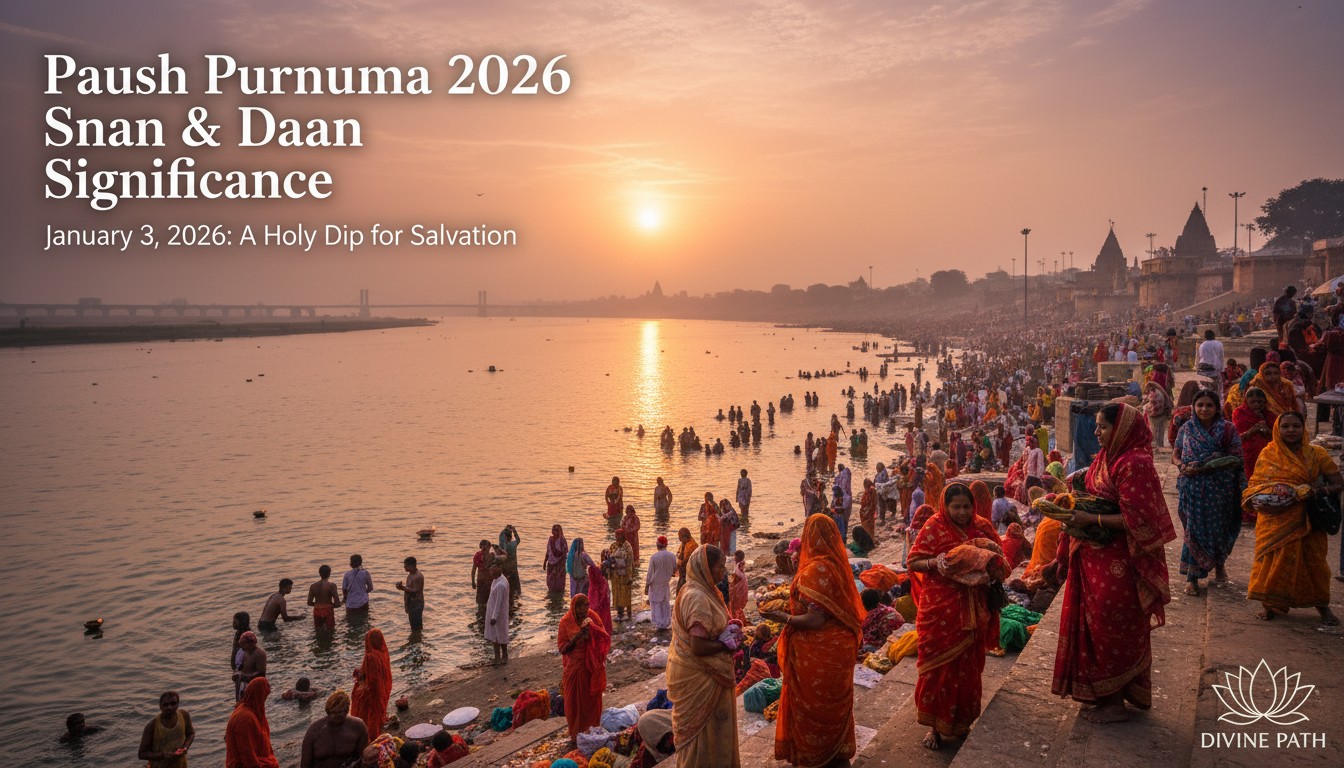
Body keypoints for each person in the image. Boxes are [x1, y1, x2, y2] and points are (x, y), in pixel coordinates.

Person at [1047, 402, 1176, 724]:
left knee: (1112, 625)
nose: (1096, 432)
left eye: (1102, 427)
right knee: (1094, 626)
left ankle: (1116, 702)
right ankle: (1104, 695)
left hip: (1121, 561)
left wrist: (1092, 517)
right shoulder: (1108, 456)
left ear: (1121, 430)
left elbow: (1140, 519)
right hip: (1093, 557)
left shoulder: (1136, 464)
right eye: (1096, 426)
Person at [908, 483, 1007, 749]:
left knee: (969, 668)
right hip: (940, 609)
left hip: (974, 608)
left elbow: (1001, 560)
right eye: (956, 507)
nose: (962, 512)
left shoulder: (983, 528)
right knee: (936, 669)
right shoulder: (933, 526)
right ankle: (934, 728)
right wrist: (935, 562)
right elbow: (913, 561)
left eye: (967, 506)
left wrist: (989, 568)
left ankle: (962, 722)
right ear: (945, 506)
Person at [761, 514, 865, 767]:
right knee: (834, 705)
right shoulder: (837, 565)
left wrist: (784, 617)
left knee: (813, 707)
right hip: (839, 647)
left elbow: (815, 619)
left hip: (818, 650)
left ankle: (816, 755)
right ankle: (836, 752)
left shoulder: (815, 569)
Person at [1242, 411, 1343, 625]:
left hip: (1308, 520)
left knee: (1314, 563)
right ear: (1278, 429)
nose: (1291, 431)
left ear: (1303, 428)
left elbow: (1338, 483)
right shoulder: (1268, 454)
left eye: (1295, 426)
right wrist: (1279, 491)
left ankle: (1322, 607)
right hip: (1275, 521)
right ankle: (1269, 606)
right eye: (1286, 426)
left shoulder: (1317, 454)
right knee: (1271, 562)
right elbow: (1256, 485)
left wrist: (1316, 492)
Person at [666, 545, 741, 767]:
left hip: (706, 675)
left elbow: (711, 628)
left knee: (713, 734)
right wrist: (725, 644)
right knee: (702, 737)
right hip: (699, 677)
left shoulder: (703, 591)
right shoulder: (696, 597)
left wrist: (730, 630)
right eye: (719, 567)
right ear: (706, 569)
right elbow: (698, 646)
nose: (723, 572)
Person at [1173, 389, 1246, 595]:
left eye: (1209, 405)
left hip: (1220, 489)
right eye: (1200, 405)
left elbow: (1236, 458)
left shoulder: (1228, 429)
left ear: (1216, 408)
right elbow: (1176, 453)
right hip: (1192, 489)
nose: (1204, 409)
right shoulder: (1186, 428)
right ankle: (1192, 578)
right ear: (1194, 407)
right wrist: (1181, 465)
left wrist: (1207, 466)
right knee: (1193, 531)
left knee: (1219, 529)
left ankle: (1219, 565)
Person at [557, 593, 611, 740]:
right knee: (573, 703)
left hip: (590, 668)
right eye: (582, 606)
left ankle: (592, 731)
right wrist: (577, 637)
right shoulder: (565, 622)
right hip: (574, 668)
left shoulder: (592, 617)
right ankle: (576, 733)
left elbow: (604, 637)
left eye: (587, 605)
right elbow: (562, 648)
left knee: (591, 702)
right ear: (575, 607)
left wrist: (592, 633)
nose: (586, 609)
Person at [1231, 387, 1273, 524]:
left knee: (1264, 484)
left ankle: (1261, 513)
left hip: (1266, 457)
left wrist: (1268, 431)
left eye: (1259, 402)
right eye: (1253, 401)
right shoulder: (1239, 413)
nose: (1256, 405)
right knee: (1247, 484)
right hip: (1247, 456)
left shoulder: (1270, 415)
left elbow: (1278, 436)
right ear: (1246, 401)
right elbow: (1237, 438)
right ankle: (1247, 514)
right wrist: (1254, 429)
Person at [301, 690, 369, 768]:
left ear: (347, 710)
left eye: (338, 713)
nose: (333, 717)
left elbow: (362, 757)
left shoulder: (358, 727)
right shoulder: (314, 731)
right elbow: (305, 764)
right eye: (331, 713)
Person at [225, 677, 279, 768]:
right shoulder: (246, 719)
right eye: (264, 696)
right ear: (258, 695)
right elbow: (246, 754)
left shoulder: (248, 709)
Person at [351, 628, 393, 737]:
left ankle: (367, 733)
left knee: (356, 694)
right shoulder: (384, 651)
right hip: (384, 686)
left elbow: (372, 680)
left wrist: (359, 678)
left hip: (374, 690)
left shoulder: (371, 656)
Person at [138, 691, 194, 768]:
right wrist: (163, 755)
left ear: (178, 705)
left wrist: (184, 748)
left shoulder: (184, 716)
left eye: (173, 703)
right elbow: (141, 754)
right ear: (160, 707)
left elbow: (191, 734)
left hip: (181, 764)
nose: (169, 707)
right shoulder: (152, 726)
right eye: (165, 705)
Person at [646, 535, 677, 631]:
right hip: (665, 583)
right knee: (664, 603)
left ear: (658, 545)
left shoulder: (654, 557)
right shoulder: (672, 556)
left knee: (656, 604)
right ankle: (665, 623)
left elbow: (650, 573)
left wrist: (646, 586)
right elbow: (675, 571)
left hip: (655, 584)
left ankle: (659, 624)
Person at [485, 563, 511, 663]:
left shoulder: (501, 585)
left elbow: (499, 602)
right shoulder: (497, 580)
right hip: (494, 612)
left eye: (492, 570)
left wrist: (494, 617)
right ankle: (502, 656)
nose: (490, 572)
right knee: (498, 635)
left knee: (497, 636)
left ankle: (499, 657)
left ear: (498, 569)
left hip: (498, 614)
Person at [233, 632, 267, 702]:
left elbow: (261, 673)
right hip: (243, 684)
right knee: (241, 704)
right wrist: (236, 674)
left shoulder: (259, 654)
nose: (242, 647)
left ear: (251, 644)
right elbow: (240, 666)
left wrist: (246, 676)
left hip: (254, 686)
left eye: (243, 644)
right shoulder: (244, 652)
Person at [610, 529, 635, 621]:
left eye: (619, 536)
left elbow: (629, 562)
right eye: (616, 536)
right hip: (616, 576)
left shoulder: (627, 547)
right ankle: (619, 614)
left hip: (625, 575)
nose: (617, 538)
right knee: (617, 595)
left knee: (626, 595)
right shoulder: (613, 545)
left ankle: (628, 614)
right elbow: (610, 556)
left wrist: (630, 576)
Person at [395, 557, 425, 632]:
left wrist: (403, 587)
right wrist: (400, 587)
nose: (404, 567)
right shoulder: (410, 575)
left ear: (411, 566)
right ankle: (416, 640)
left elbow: (414, 591)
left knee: (417, 626)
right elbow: (409, 589)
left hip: (416, 604)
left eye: (405, 566)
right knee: (413, 625)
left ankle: (417, 640)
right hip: (411, 603)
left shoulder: (418, 576)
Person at [307, 565, 340, 631]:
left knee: (318, 631)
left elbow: (309, 603)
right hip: (328, 610)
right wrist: (343, 601)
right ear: (329, 573)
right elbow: (337, 604)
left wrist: (319, 604)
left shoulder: (313, 586)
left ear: (319, 573)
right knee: (330, 630)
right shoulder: (332, 585)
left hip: (317, 610)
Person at [1144, 382, 1173, 448]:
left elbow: (1155, 407)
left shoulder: (1153, 393)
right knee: (1160, 432)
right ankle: (1160, 445)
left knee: (1155, 432)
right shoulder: (1159, 392)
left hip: (1156, 416)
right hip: (1163, 414)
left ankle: (1157, 447)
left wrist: (1145, 407)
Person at [497, 525, 522, 595]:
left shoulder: (503, 546)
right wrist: (514, 530)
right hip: (513, 568)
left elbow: (501, 537)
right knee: (515, 588)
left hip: (505, 569)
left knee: (506, 588)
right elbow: (518, 539)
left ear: (505, 536)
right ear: (511, 537)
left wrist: (505, 530)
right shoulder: (513, 544)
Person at [544, 525, 569, 593]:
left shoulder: (562, 540)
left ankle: (559, 594)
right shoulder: (550, 539)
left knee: (559, 581)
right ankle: (552, 594)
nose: (553, 532)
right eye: (552, 530)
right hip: (551, 564)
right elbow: (548, 551)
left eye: (555, 530)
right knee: (551, 580)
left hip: (560, 564)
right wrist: (544, 562)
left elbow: (565, 552)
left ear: (559, 531)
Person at [472, 540, 496, 607]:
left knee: (490, 600)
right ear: (480, 547)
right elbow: (474, 569)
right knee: (481, 601)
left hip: (490, 581)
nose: (485, 549)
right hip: (481, 581)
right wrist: (473, 582)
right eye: (483, 548)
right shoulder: (478, 555)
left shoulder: (492, 556)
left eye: (487, 548)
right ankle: (481, 613)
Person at [728, 549, 748, 622]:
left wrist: (731, 587)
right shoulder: (741, 564)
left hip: (738, 588)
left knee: (735, 605)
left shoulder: (738, 566)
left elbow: (737, 578)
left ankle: (736, 619)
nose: (734, 559)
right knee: (737, 606)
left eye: (735, 558)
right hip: (741, 587)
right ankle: (739, 618)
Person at [676, 527, 699, 591]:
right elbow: (678, 554)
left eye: (679, 536)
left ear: (684, 537)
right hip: (684, 574)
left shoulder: (691, 546)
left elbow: (682, 562)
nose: (679, 538)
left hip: (688, 575)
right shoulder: (685, 543)